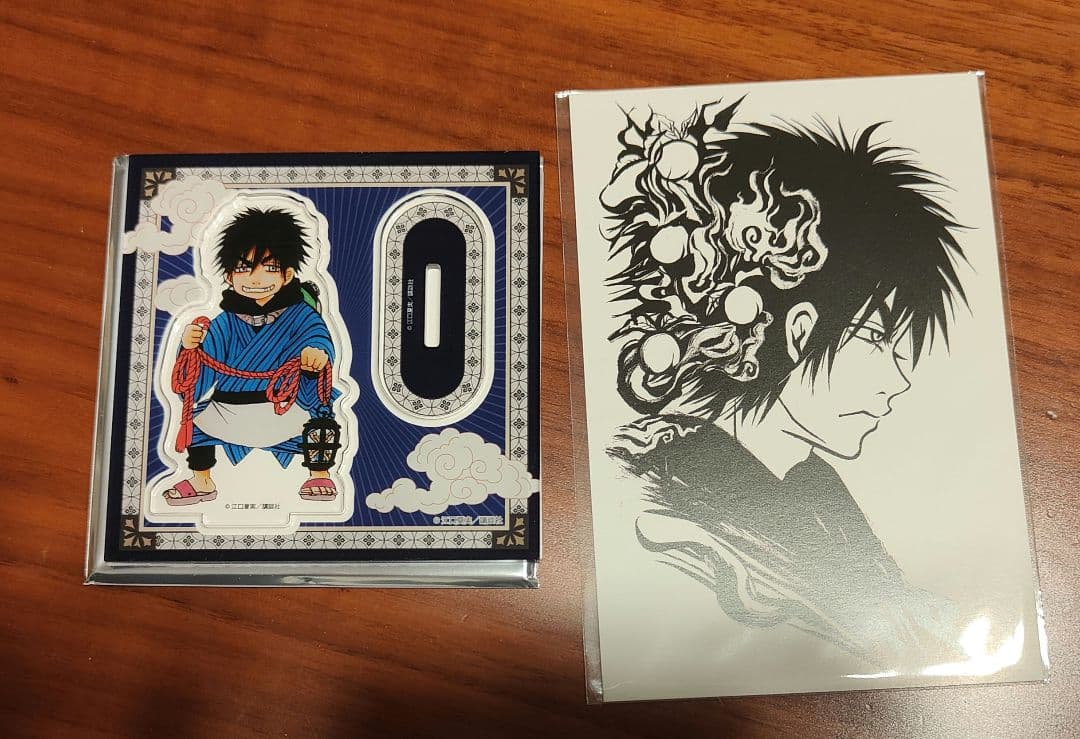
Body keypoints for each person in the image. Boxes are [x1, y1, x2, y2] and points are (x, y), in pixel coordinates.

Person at [605, 109, 968, 665]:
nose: (898, 381)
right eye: (876, 338)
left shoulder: (817, 489)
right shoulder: (664, 498)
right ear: (798, 332)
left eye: (903, 350)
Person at [163, 207, 340, 505]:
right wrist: (191, 348)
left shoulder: (301, 316)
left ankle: (318, 473)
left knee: (320, 422)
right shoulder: (224, 323)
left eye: (268, 268)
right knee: (194, 422)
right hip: (227, 409)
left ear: (287, 275)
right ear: (229, 276)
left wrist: (316, 356)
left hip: (285, 409)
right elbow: (194, 380)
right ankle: (201, 479)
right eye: (244, 268)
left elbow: (317, 338)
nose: (255, 279)